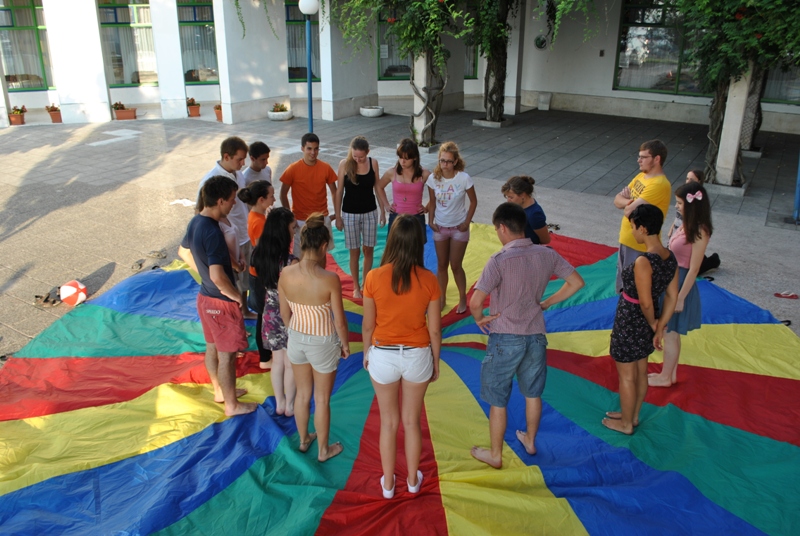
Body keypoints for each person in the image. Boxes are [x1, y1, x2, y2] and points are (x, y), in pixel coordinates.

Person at [469, 203, 584, 468]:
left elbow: (475, 302)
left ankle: (495, 454)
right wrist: (547, 302)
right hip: (535, 334)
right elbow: (577, 282)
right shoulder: (546, 254)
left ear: (502, 228)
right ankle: (530, 440)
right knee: (533, 393)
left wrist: (479, 318)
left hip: (505, 336)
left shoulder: (499, 260)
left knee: (498, 398)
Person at [362, 215, 441, 499]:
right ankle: (412, 481)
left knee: (388, 422)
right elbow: (434, 329)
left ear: (391, 241)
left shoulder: (373, 277)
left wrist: (366, 352)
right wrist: (435, 361)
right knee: (411, 421)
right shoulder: (429, 280)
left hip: (382, 356)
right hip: (418, 356)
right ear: (420, 243)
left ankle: (388, 484)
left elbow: (368, 325)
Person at [178, 176, 257, 417]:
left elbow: (185, 252)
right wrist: (236, 297)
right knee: (228, 356)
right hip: (220, 303)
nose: (234, 204)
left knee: (212, 348)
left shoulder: (196, 221)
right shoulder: (212, 231)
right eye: (232, 199)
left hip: (205, 298)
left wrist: (223, 269)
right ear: (220, 200)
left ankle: (220, 391)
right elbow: (217, 276)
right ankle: (232, 405)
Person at [278, 214, 350, 462]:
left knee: (302, 394)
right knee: (321, 399)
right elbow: (339, 321)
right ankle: (323, 450)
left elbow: (284, 314)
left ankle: (303, 439)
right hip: (323, 342)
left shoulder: (286, 273)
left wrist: (296, 333)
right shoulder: (329, 279)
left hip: (296, 340)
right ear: (323, 246)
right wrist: (345, 344)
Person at [604, 204, 679, 433]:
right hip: (648, 321)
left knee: (627, 376)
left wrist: (653, 323)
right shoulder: (669, 257)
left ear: (643, 228)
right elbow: (672, 296)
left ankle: (626, 424)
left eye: (633, 227)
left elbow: (645, 302)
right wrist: (659, 325)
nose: (633, 231)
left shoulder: (644, 262)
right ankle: (633, 415)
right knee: (641, 371)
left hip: (631, 319)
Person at [648, 182, 712, 388]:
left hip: (680, 284)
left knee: (670, 333)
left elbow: (695, 268)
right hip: (673, 280)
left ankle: (666, 377)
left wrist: (680, 297)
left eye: (680, 203)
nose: (676, 206)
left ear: (692, 205)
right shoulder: (686, 224)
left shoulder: (700, 231)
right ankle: (670, 374)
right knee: (671, 333)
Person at [198, 136, 254, 318]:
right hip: (226, 239)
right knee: (231, 280)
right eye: (239, 159)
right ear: (226, 156)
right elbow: (201, 210)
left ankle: (244, 311)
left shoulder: (239, 174)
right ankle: (233, 316)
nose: (243, 163)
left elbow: (243, 204)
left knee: (244, 278)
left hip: (243, 234)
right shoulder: (210, 181)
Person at [253, 207, 300, 414]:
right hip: (289, 314)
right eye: (292, 227)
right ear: (284, 231)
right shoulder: (291, 262)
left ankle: (280, 403)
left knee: (277, 361)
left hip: (269, 313)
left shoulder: (259, 255)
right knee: (290, 363)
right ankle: (290, 404)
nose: (295, 231)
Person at [613, 140, 672, 293]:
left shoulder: (659, 184)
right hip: (627, 239)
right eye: (639, 156)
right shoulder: (641, 176)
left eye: (643, 157)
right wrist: (630, 203)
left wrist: (627, 203)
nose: (639, 160)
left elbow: (627, 210)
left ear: (657, 159)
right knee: (624, 285)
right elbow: (617, 200)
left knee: (633, 288)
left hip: (639, 244)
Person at [426, 141, 478, 314]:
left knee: (456, 265)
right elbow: (432, 202)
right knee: (441, 265)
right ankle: (442, 299)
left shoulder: (464, 178)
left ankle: (463, 298)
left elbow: (473, 202)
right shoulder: (433, 178)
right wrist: (430, 220)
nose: (445, 164)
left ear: (455, 161)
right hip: (440, 227)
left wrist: (467, 222)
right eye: (442, 160)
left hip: (458, 228)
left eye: (449, 161)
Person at [334, 136, 383, 299]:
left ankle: (365, 283)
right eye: (355, 156)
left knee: (368, 249)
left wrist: (383, 210)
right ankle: (356, 286)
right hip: (350, 214)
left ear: (367, 152)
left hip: (370, 212)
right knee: (354, 251)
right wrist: (338, 216)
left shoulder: (373, 163)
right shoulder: (344, 164)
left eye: (361, 157)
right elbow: (339, 191)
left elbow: (377, 187)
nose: (358, 159)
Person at [279, 133, 338, 255]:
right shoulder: (293, 169)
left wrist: (337, 214)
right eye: (309, 148)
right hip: (301, 220)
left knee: (321, 255)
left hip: (321, 219)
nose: (313, 152)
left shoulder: (325, 167)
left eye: (316, 149)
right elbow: (283, 194)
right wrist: (290, 217)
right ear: (302, 148)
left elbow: (335, 192)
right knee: (299, 257)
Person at [238, 180, 276, 369]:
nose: (274, 199)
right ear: (261, 199)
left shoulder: (256, 216)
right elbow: (263, 252)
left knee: (264, 315)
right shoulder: (258, 221)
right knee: (264, 316)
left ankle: (266, 354)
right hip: (262, 276)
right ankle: (265, 357)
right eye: (271, 196)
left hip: (259, 274)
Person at [376, 138, 431, 240]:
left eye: (406, 158)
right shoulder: (392, 172)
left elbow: (437, 192)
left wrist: (427, 208)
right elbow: (379, 186)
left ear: (415, 157)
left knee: (416, 247)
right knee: (395, 246)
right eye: (400, 157)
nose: (402, 161)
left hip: (416, 216)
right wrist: (386, 205)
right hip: (396, 216)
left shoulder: (425, 174)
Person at [668, 169, 720, 275]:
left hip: (684, 268)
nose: (688, 181)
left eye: (691, 179)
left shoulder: (699, 228)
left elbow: (693, 269)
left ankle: (713, 261)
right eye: (687, 178)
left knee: (697, 261)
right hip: (681, 237)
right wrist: (672, 229)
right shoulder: (685, 216)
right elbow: (677, 217)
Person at [500, 175, 551, 245]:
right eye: (507, 197)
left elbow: (545, 240)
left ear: (523, 195)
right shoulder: (518, 205)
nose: (508, 200)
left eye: (511, 197)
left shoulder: (534, 215)